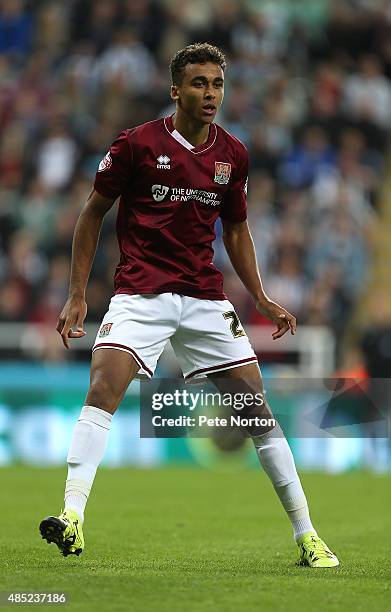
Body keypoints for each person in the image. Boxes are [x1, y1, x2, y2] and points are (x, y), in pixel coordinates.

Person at [39, 43, 339, 568]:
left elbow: (239, 230)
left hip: (204, 297)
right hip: (140, 292)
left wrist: (263, 297)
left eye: (217, 84)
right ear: (176, 90)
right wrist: (76, 293)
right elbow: (92, 216)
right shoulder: (135, 145)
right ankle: (71, 516)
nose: (210, 94)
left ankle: (307, 535)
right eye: (199, 84)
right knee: (103, 385)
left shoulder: (233, 155)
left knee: (257, 413)